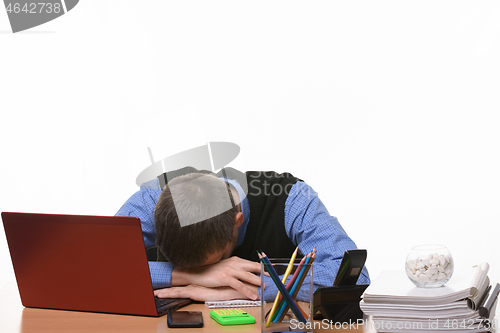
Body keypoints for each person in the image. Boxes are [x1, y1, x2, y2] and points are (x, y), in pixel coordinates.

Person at [115, 167, 369, 302]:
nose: (206, 275)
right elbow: (90, 265)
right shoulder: (152, 199)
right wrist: (184, 275)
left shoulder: (293, 199)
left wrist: (250, 289)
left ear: (237, 222)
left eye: (208, 265)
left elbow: (353, 277)